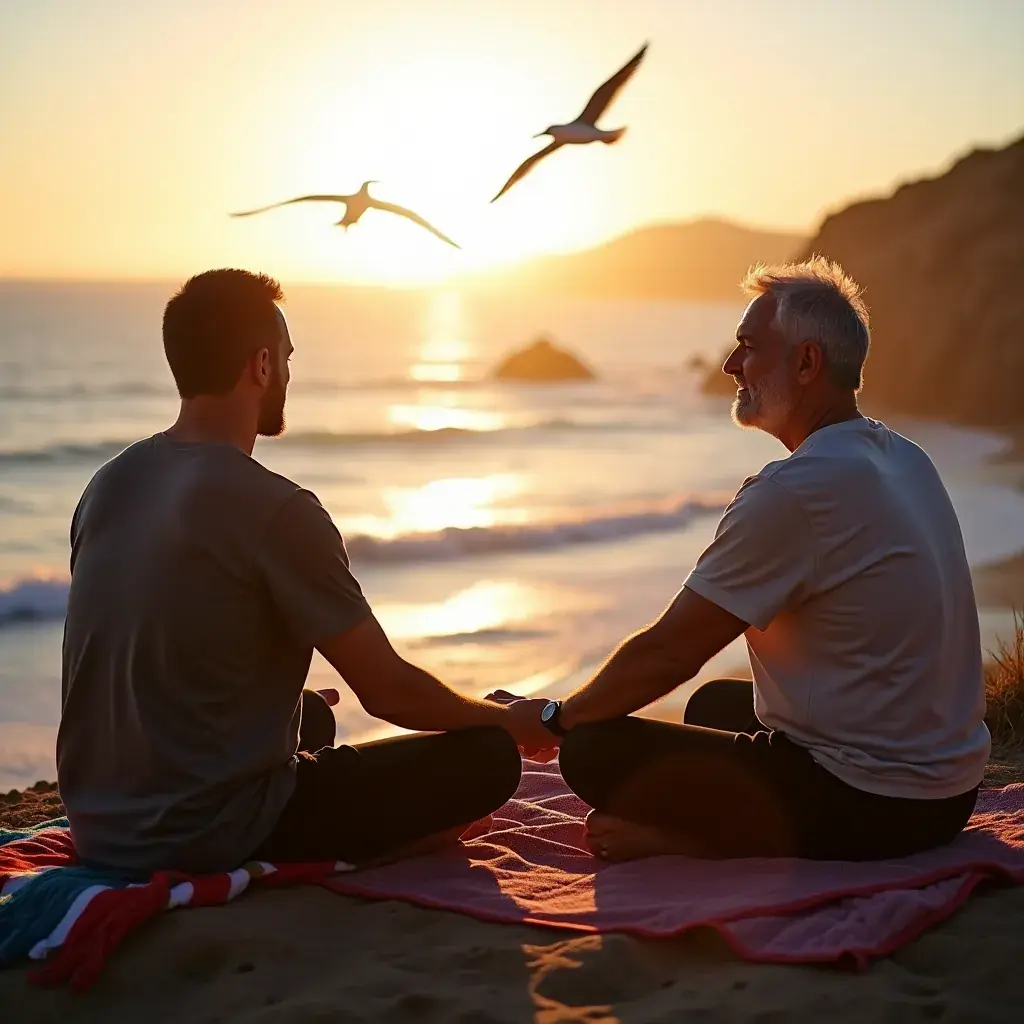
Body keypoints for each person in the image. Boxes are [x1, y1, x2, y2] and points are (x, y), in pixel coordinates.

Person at [57, 268, 555, 874]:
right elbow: (386, 691)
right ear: (261, 365)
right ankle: (391, 849)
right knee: (488, 757)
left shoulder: (107, 484)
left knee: (312, 716)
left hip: (99, 824)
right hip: (210, 834)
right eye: (287, 358)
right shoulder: (279, 510)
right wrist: (506, 718)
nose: (290, 374)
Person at [540, 257, 991, 862]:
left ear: (807, 363)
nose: (729, 365)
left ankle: (693, 845)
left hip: (873, 805)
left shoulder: (794, 491)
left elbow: (669, 652)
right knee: (713, 707)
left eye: (749, 347)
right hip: (949, 793)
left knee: (591, 747)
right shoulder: (906, 457)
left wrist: (551, 718)